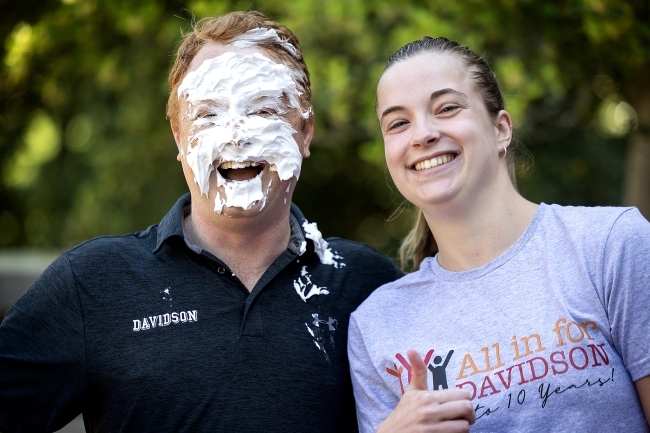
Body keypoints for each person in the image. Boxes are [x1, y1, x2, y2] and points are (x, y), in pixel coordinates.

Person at [0, 11, 403, 433]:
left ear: (304, 133)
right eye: (208, 115)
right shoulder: (91, 284)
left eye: (263, 110)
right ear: (179, 137)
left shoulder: (367, 287)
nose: (235, 134)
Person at [348, 36, 650, 432]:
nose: (422, 134)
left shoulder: (611, 244)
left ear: (501, 128)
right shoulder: (376, 326)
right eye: (399, 123)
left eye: (447, 108)